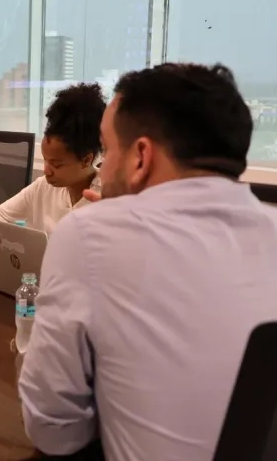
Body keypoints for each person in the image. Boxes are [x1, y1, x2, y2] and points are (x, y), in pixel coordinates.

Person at [17, 63, 277, 460]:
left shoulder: (89, 234)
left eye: (108, 149)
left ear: (140, 156)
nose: (103, 165)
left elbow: (52, 430)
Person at [0, 83, 105, 240]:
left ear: (86, 160)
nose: (46, 171)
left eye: (56, 165)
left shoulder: (107, 198)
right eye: (45, 160)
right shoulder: (43, 188)